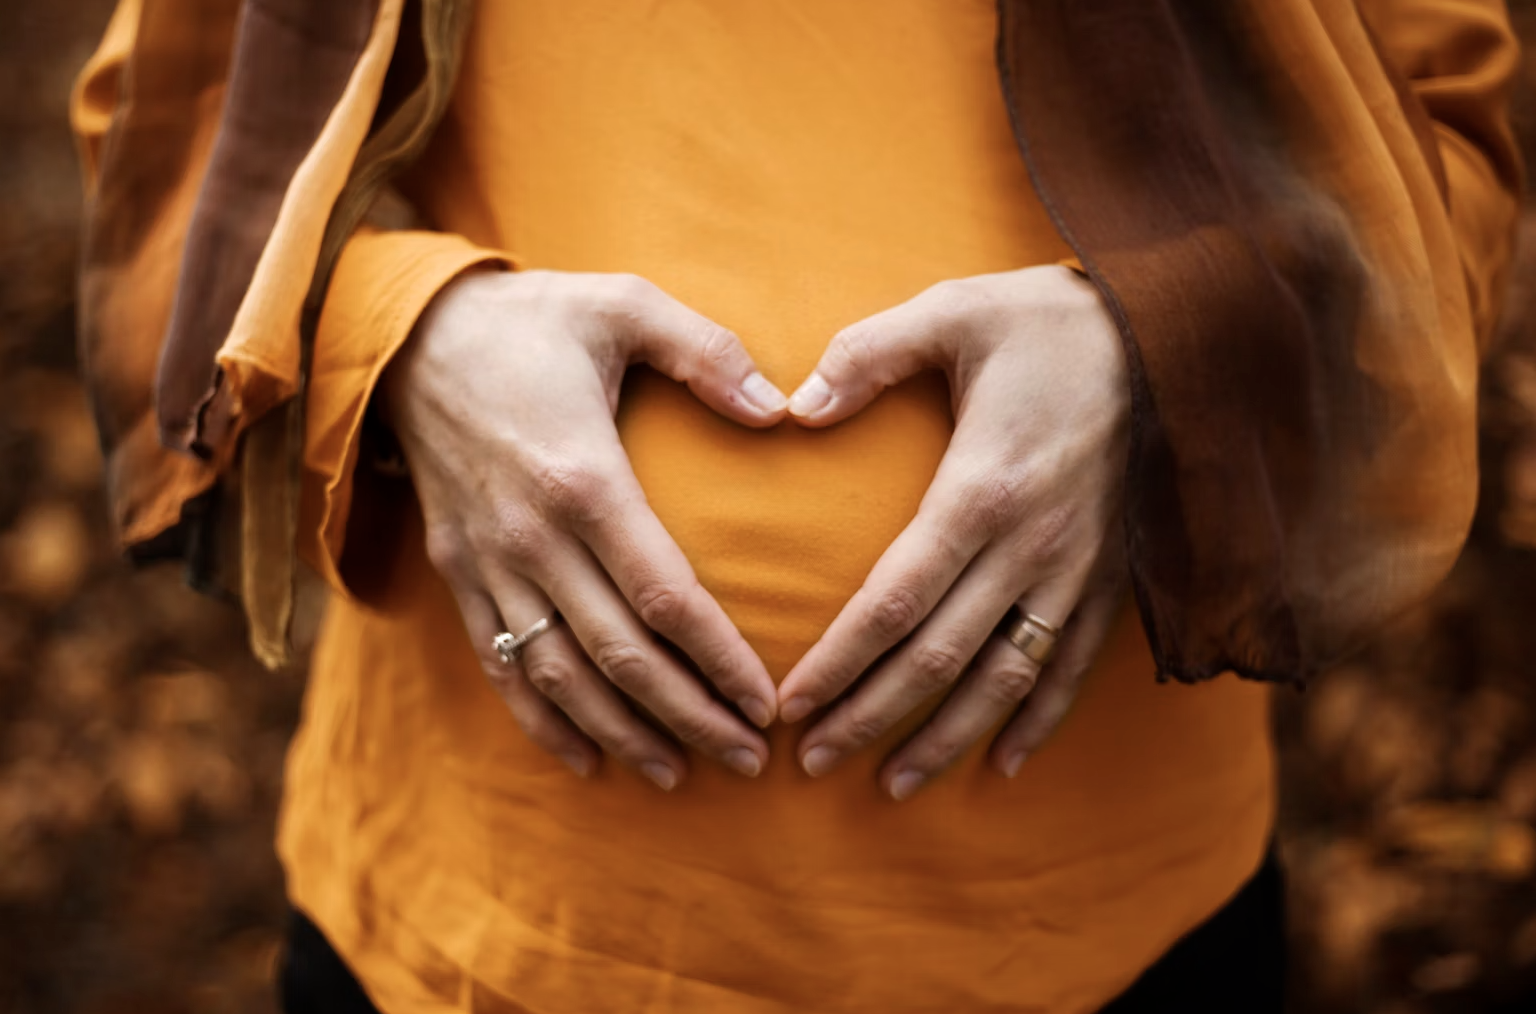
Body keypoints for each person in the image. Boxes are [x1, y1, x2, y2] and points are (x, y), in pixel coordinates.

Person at [72, 0, 1520, 1010]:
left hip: (1109, 939)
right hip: (476, 940)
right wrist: (399, 339)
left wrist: (1165, 346)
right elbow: (176, 139)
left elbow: (1441, 158)